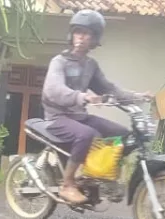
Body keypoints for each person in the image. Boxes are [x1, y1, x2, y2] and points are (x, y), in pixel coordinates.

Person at [41, 9, 148, 204]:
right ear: (72, 34)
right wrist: (82, 97)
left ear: (94, 39)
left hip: (79, 116)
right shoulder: (59, 62)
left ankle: (98, 176)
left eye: (88, 34)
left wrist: (138, 96)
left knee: (123, 134)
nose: (82, 37)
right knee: (86, 134)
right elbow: (53, 90)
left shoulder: (90, 65)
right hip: (58, 117)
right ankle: (67, 185)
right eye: (79, 32)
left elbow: (109, 88)